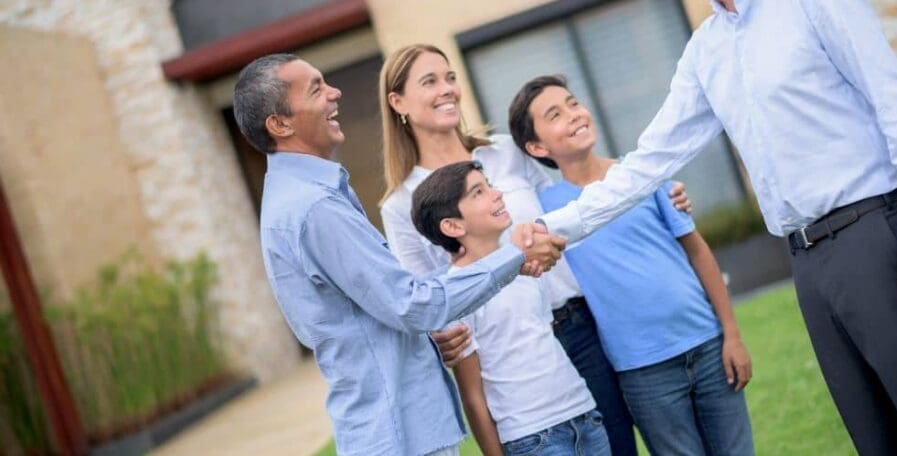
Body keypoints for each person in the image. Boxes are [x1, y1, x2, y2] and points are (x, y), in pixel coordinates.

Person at [534, 0, 897, 455]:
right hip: (805, 259)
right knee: (876, 437)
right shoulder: (706, 49)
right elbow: (648, 162)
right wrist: (560, 228)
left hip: (874, 237)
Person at [231, 53, 565, 456]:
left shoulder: (307, 197)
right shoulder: (314, 208)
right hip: (399, 437)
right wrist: (511, 255)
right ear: (280, 124)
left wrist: (425, 336)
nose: (335, 94)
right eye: (317, 89)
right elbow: (411, 305)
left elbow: (380, 307)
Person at [378, 44, 689, 456]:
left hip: (582, 326)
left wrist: (653, 190)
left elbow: (573, 204)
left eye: (450, 77)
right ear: (398, 102)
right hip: (507, 358)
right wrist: (440, 336)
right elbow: (422, 296)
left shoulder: (503, 151)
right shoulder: (401, 204)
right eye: (429, 81)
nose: (447, 89)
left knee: (616, 444)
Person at [509, 75, 754, 456]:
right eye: (555, 114)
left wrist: (732, 334)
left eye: (574, 103)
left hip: (707, 346)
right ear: (536, 145)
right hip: (643, 372)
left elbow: (698, 252)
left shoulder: (642, 175)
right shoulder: (548, 211)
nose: (573, 115)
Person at [411, 160, 611, 456]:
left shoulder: (524, 266)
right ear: (453, 226)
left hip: (585, 415)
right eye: (478, 192)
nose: (497, 194)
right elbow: (473, 396)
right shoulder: (456, 296)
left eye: (490, 185)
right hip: (532, 437)